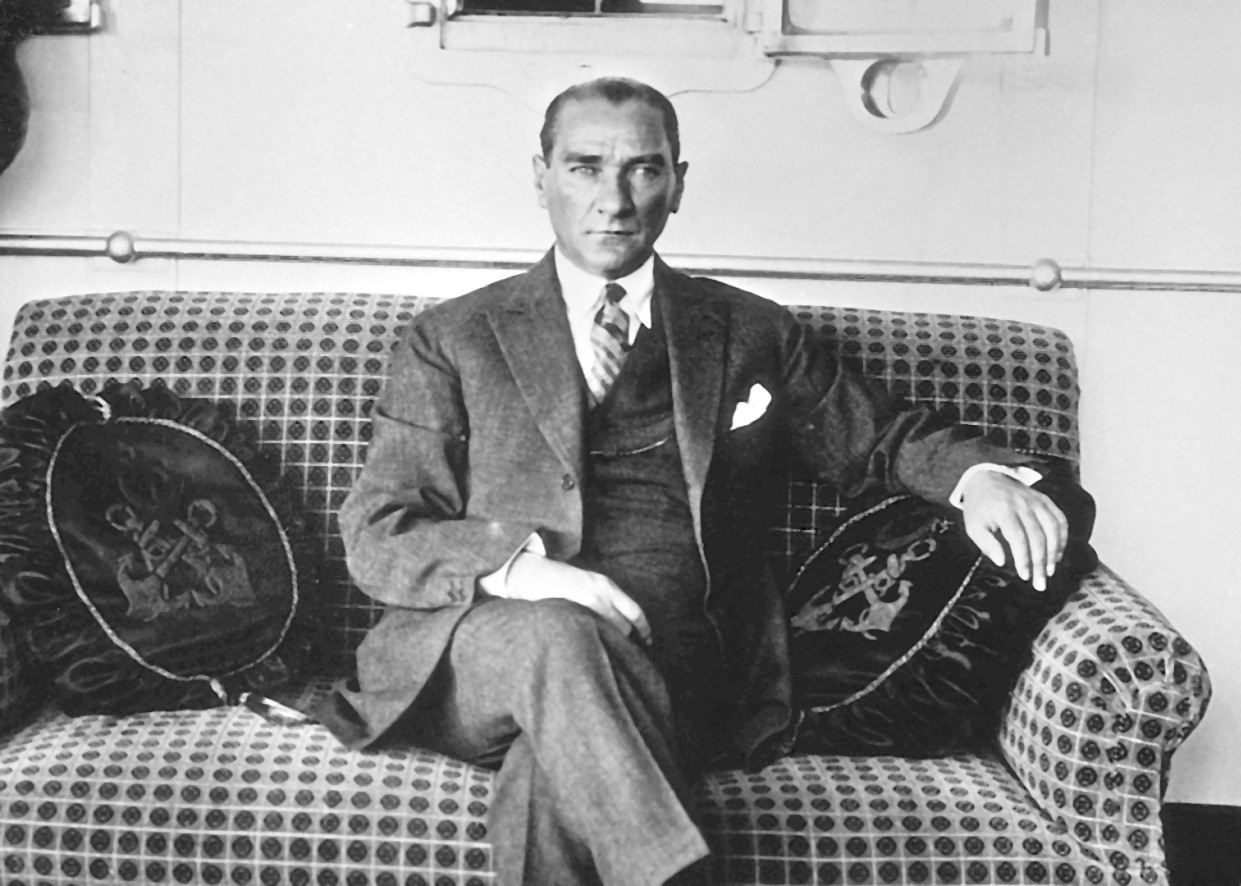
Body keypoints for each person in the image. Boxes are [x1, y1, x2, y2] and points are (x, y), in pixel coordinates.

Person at [321, 77, 1071, 886]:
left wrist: (979, 479)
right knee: (560, 635)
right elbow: (379, 529)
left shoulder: (750, 331)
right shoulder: (453, 338)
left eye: (642, 170)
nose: (614, 200)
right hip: (487, 656)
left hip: (679, 663)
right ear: (540, 177)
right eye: (584, 168)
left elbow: (881, 438)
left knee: (556, 772)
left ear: (677, 184)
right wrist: (531, 574)